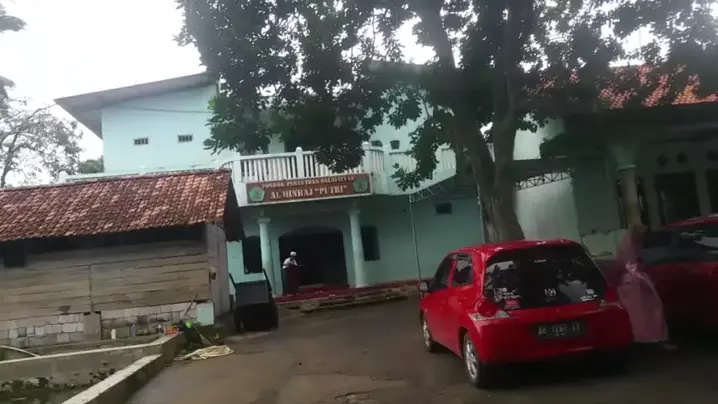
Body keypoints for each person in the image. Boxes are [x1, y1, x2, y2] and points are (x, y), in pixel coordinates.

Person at [609, 224, 675, 350]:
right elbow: (622, 266)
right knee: (641, 312)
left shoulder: (635, 248)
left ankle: (651, 337)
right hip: (633, 284)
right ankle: (645, 337)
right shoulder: (631, 250)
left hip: (636, 282)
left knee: (649, 310)